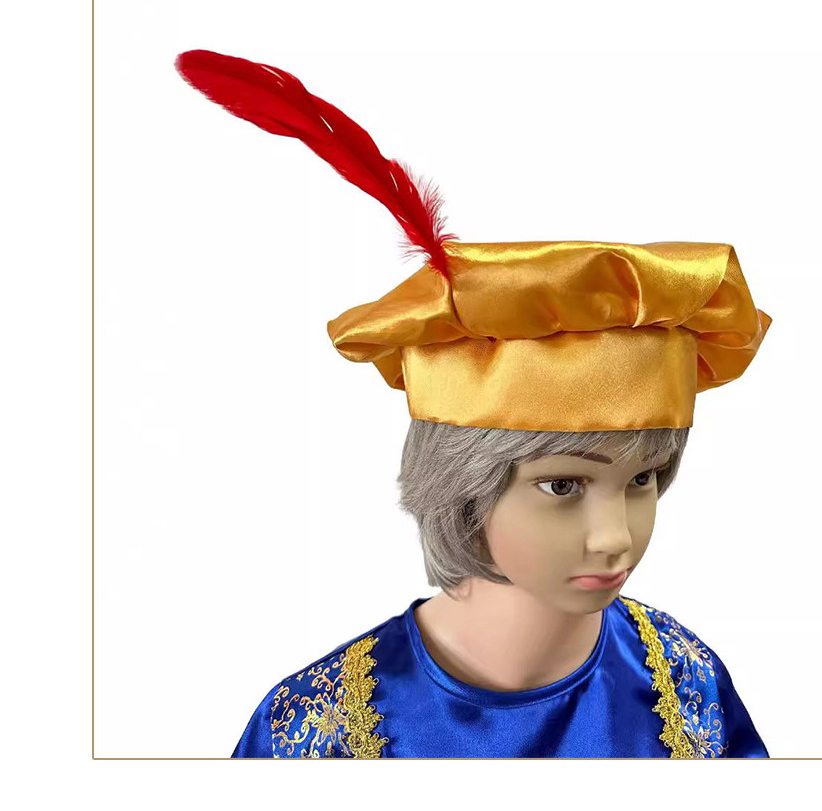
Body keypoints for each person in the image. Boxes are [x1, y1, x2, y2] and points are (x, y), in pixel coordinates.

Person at [175, 49, 773, 759]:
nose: (614, 536)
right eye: (562, 485)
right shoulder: (316, 730)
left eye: (641, 479)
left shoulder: (683, 680)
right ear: (462, 486)